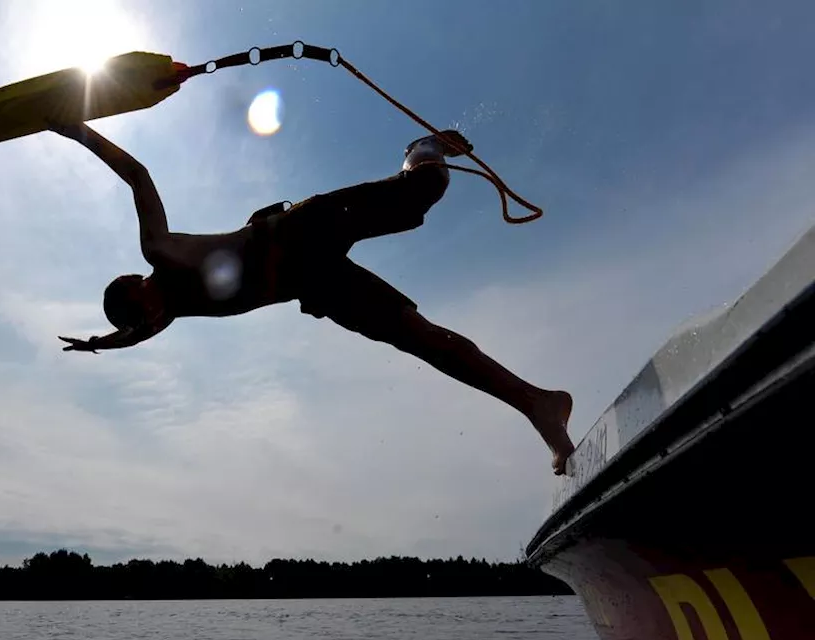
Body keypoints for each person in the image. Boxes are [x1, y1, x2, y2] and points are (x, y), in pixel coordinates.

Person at [46, 121, 576, 475]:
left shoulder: (160, 251)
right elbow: (135, 333)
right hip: (315, 286)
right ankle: (539, 404)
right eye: (147, 325)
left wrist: (74, 129)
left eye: (147, 311)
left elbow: (138, 175)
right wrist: (102, 345)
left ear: (137, 283)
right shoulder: (172, 313)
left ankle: (423, 148)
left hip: (300, 231)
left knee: (422, 193)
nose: (156, 320)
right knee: (423, 340)